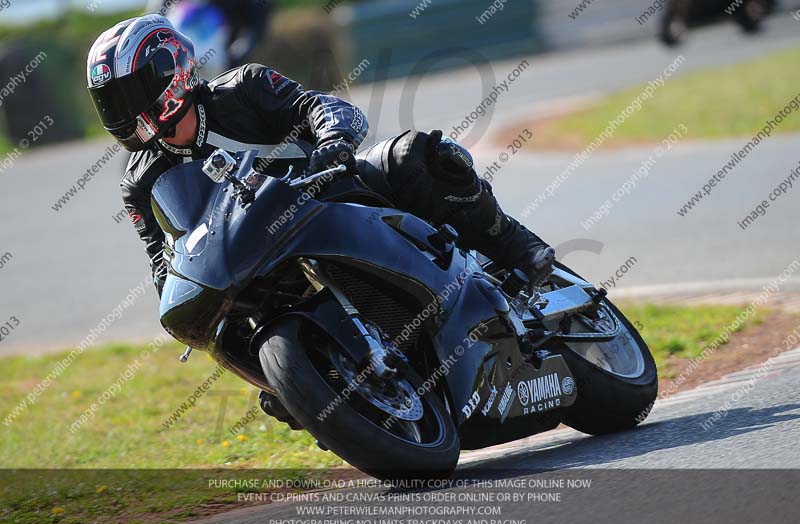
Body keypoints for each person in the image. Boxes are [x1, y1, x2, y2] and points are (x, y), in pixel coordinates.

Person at [87, 15, 554, 427]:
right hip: (258, 258)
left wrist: (332, 137)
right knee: (227, 321)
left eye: (128, 94)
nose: (122, 112)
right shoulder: (140, 182)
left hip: (335, 193)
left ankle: (518, 247)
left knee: (418, 155)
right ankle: (312, 382)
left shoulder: (244, 87)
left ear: (170, 72)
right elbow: (161, 260)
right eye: (110, 102)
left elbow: (319, 106)